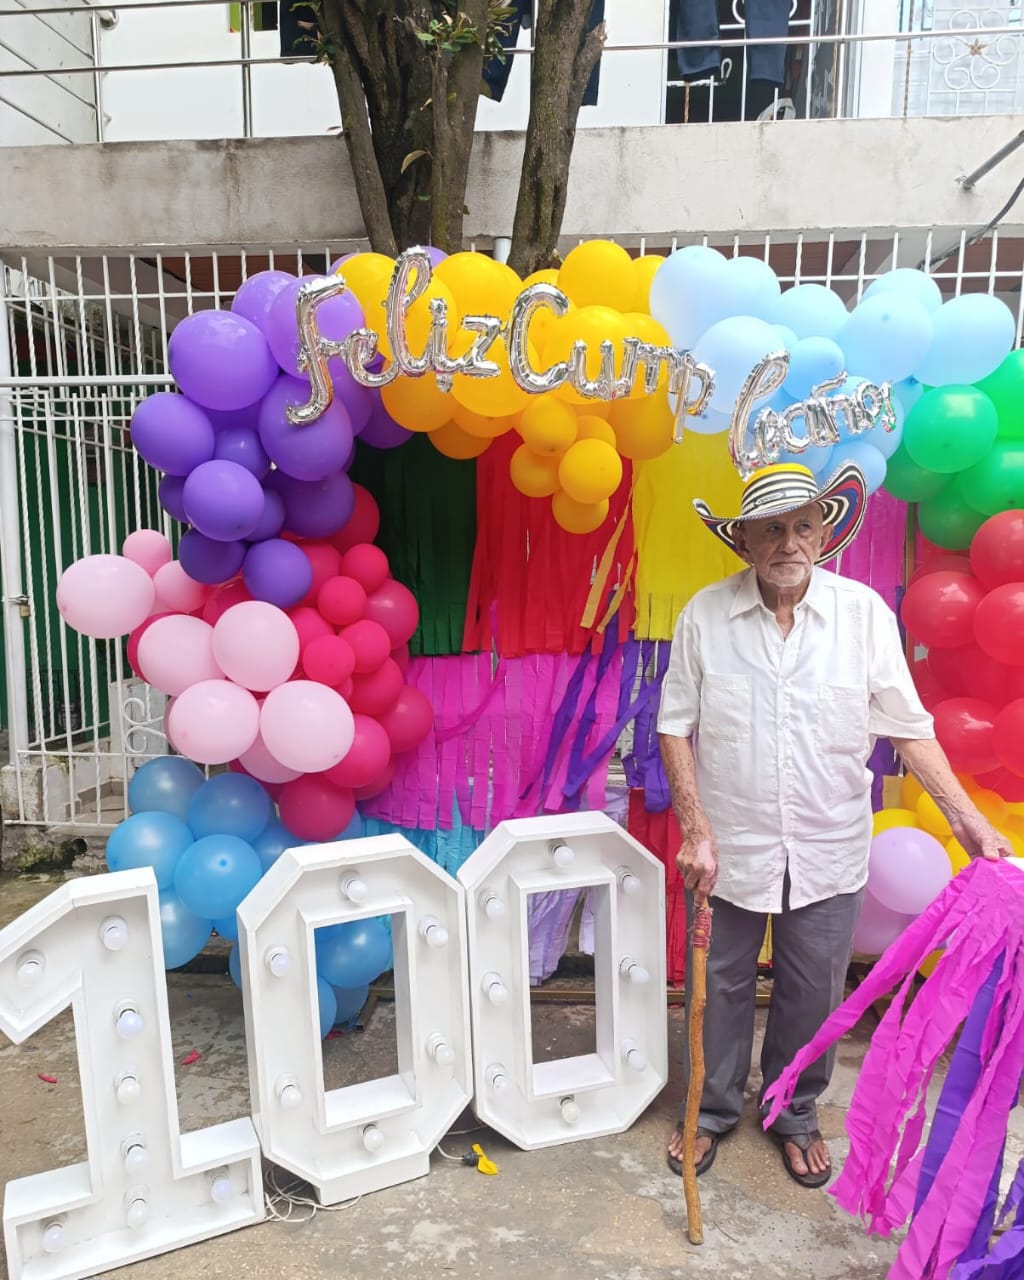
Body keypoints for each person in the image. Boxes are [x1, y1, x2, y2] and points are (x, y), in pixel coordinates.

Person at [657, 461, 1011, 1189]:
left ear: (825, 532)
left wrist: (969, 821)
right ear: (746, 540)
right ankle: (713, 1108)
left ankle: (792, 1111)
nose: (789, 541)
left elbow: (908, 729)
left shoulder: (863, 616)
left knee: (811, 988)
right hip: (732, 847)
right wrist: (695, 828)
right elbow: (673, 727)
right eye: (772, 528)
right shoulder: (704, 616)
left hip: (829, 844)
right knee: (718, 984)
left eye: (802, 525)